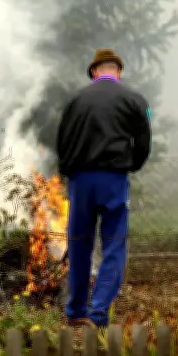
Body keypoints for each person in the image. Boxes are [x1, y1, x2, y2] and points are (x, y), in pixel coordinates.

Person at [56, 48, 152, 328]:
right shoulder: (133, 100)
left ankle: (76, 312)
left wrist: (68, 171)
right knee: (113, 246)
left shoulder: (75, 100)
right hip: (113, 180)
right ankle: (98, 313)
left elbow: (62, 141)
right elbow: (144, 141)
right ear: (118, 71)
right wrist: (132, 164)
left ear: (94, 72)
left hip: (81, 181)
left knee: (79, 245)